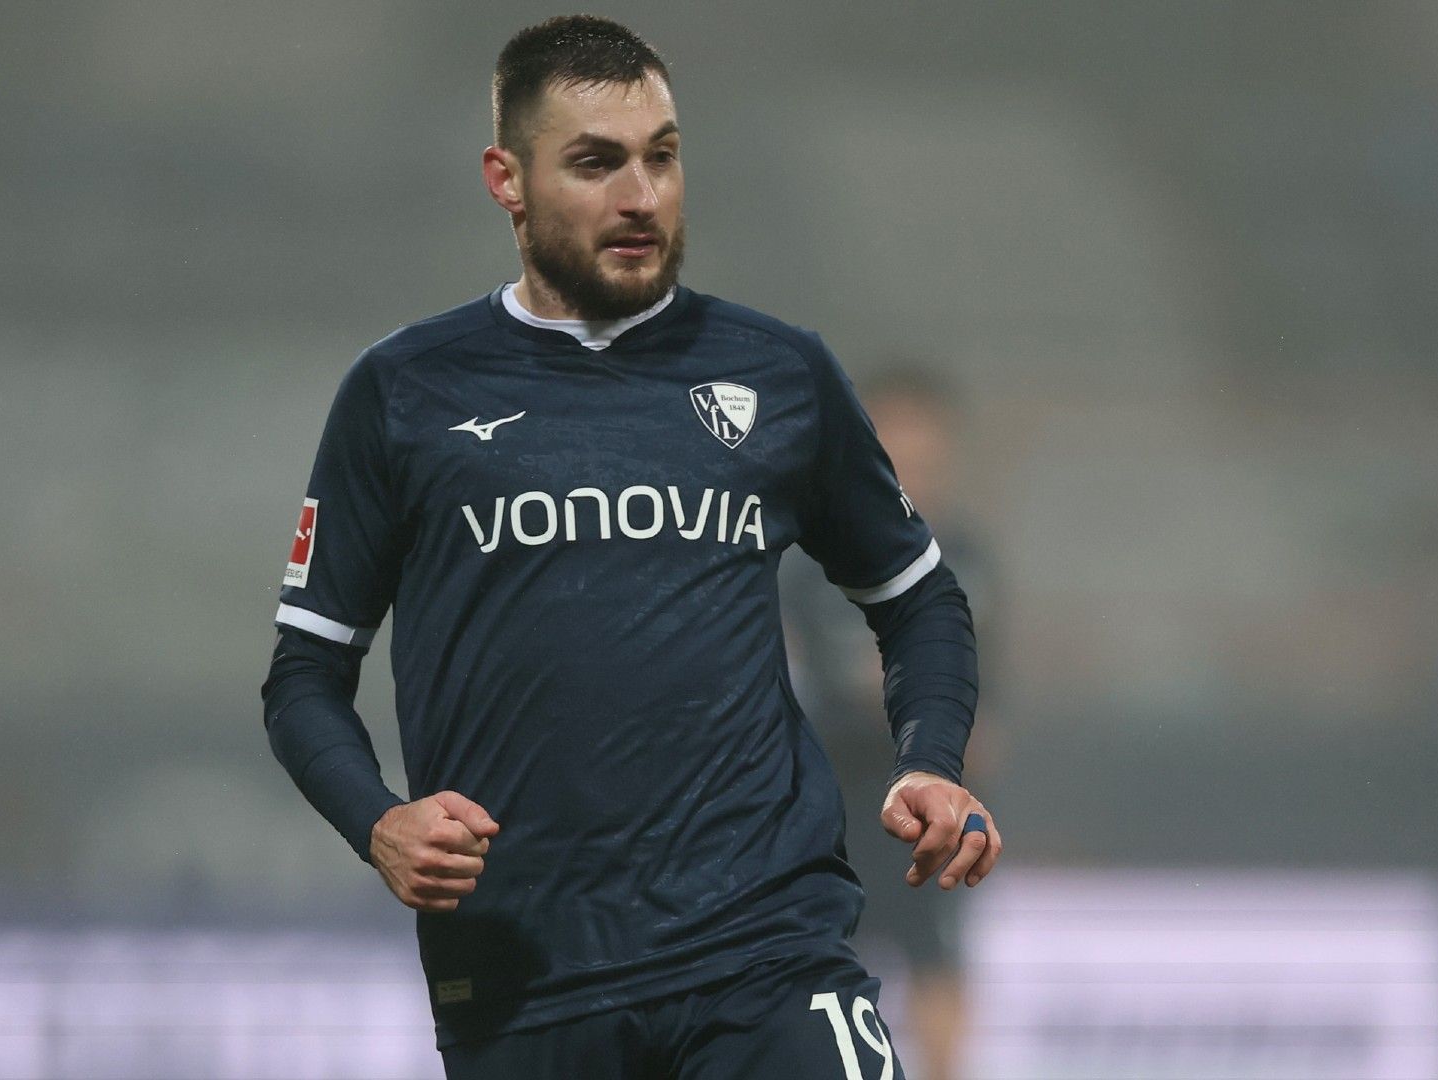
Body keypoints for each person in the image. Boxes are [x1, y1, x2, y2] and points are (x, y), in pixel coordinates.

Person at [260, 16, 1000, 1078]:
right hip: (525, 977)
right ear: (504, 179)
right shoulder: (405, 393)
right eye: (596, 163)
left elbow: (918, 596)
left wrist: (929, 759)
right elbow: (303, 678)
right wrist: (378, 821)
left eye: (662, 154)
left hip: (765, 952)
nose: (641, 195)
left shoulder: (779, 374)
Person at [781, 367, 997, 1080]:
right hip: (830, 800)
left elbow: (994, 693)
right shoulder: (811, 555)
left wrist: (966, 729)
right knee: (815, 966)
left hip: (929, 804)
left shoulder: (967, 559)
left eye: (927, 458)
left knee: (936, 956)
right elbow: (800, 680)